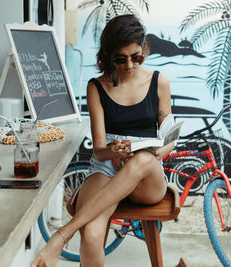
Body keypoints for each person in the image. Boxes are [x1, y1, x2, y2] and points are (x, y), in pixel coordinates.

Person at [31, 14, 174, 267]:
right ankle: (72, 233)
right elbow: (98, 150)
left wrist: (157, 149)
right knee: (91, 235)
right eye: (120, 59)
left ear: (144, 50)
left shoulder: (159, 82)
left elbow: (170, 139)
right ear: (108, 55)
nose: (129, 65)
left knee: (141, 159)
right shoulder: (97, 86)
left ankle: (61, 235)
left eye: (136, 57)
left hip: (147, 176)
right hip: (108, 166)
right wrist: (114, 151)